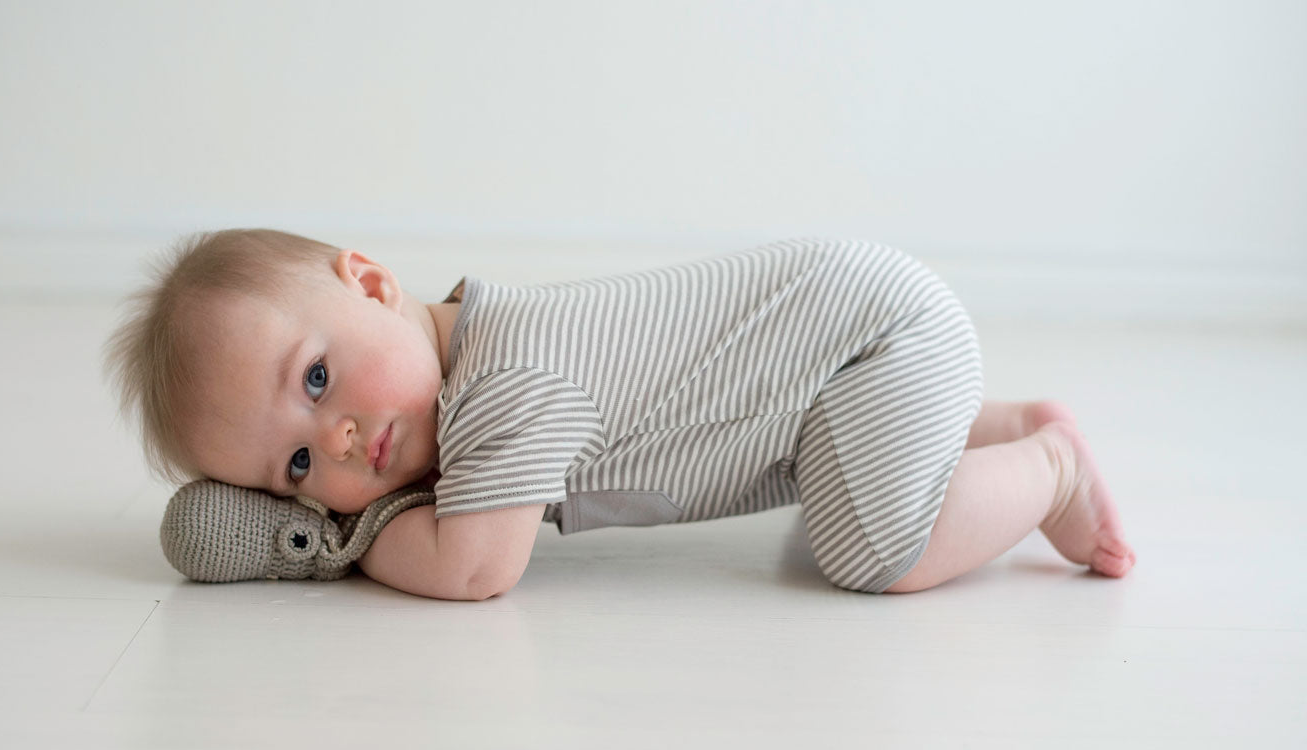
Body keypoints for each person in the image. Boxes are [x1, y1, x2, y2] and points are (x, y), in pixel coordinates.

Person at [103, 228, 1135, 601]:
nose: (330, 441)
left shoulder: (506, 382)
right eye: (291, 468)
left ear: (370, 282)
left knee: (868, 549)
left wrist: (346, 542)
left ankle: (1044, 463)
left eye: (318, 379)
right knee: (840, 467)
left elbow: (475, 567)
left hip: (875, 335)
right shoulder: (472, 364)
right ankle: (983, 424)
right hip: (839, 373)